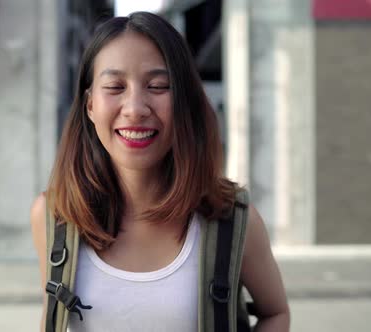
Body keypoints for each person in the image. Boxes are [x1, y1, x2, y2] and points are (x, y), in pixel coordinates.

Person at [30, 11, 289, 332]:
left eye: (158, 85)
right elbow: (52, 315)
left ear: (185, 102)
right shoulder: (54, 215)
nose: (136, 108)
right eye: (114, 86)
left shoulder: (232, 218)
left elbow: (275, 313)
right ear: (90, 105)